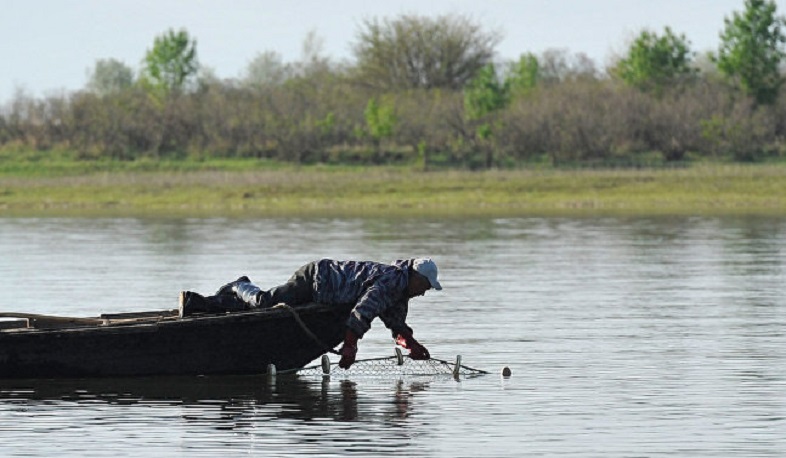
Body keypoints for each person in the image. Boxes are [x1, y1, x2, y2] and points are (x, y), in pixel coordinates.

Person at [178, 257, 442, 369]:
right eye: (426, 286)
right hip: (317, 278)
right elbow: (363, 312)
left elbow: (396, 323)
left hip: (326, 293)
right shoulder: (390, 283)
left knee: (262, 311)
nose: (425, 292)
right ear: (416, 278)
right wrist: (350, 346)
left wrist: (412, 345)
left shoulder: (400, 291)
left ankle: (200, 303)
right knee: (264, 302)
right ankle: (240, 285)